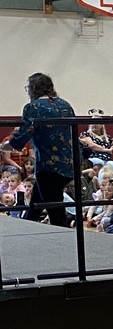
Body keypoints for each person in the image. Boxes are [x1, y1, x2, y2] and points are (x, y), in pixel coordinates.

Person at [1, 73, 75, 226]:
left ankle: (64, 241)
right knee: (37, 202)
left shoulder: (33, 107)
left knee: (56, 212)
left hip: (49, 165)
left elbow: (22, 136)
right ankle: (27, 227)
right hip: (70, 162)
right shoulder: (65, 105)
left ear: (33, 89)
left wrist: (4, 146)